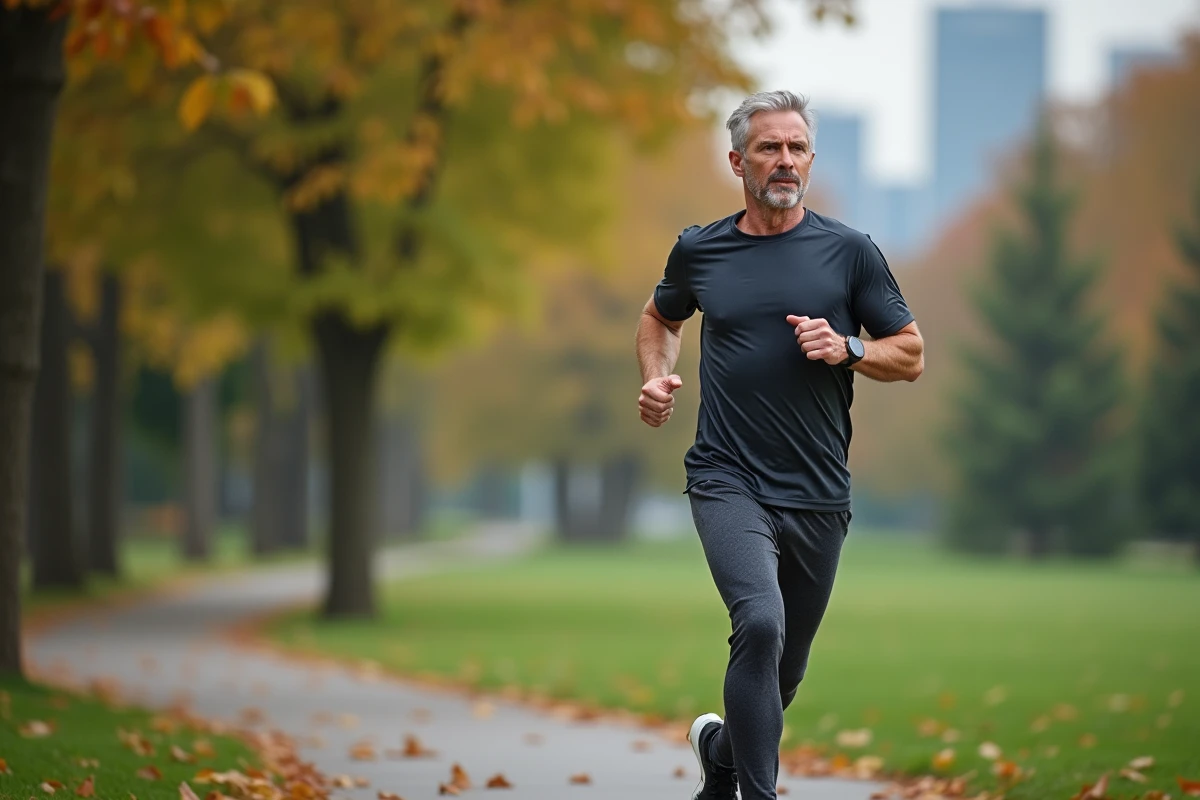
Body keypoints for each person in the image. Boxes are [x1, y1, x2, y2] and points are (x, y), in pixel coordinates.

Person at [635, 90, 924, 800]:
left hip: (819, 492)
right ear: (738, 160)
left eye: (797, 147)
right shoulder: (701, 249)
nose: (785, 160)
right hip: (726, 477)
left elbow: (911, 353)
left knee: (783, 672)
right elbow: (659, 316)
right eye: (769, 147)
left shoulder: (850, 253)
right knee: (759, 625)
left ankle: (721, 754)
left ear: (811, 160)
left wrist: (848, 345)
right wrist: (657, 375)